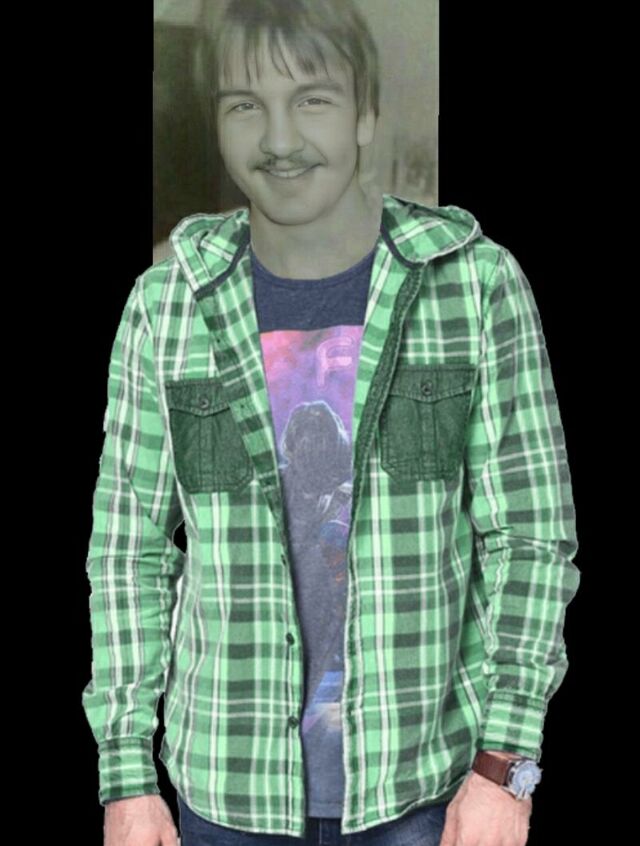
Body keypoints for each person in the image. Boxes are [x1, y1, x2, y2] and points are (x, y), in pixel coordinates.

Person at [81, 2, 581, 845]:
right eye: (246, 104)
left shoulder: (476, 284)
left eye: (311, 99)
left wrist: (507, 770)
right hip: (224, 795)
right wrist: (125, 774)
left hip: (426, 794)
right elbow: (129, 553)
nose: (279, 139)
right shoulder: (165, 304)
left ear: (365, 114)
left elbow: (529, 539)